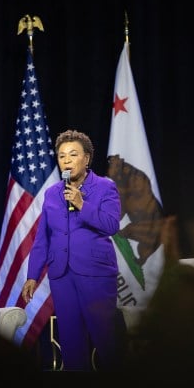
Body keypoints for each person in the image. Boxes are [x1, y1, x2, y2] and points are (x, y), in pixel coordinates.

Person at [21, 129, 121, 371]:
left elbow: (111, 225)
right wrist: (33, 275)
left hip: (95, 273)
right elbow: (43, 237)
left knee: (106, 340)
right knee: (71, 341)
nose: (66, 160)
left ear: (86, 159)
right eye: (62, 156)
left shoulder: (105, 187)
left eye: (73, 154)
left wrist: (81, 204)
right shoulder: (52, 193)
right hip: (62, 275)